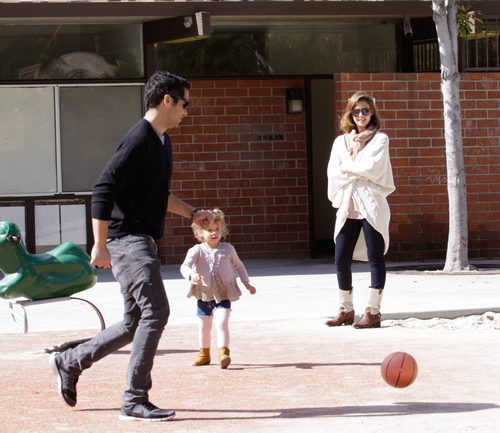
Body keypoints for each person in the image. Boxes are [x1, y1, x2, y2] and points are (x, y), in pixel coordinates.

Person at [49, 71, 213, 422]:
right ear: (166, 100)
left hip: (141, 240)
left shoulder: (161, 141)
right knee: (156, 312)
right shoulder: (139, 139)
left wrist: (192, 213)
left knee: (133, 321)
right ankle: (134, 400)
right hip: (129, 241)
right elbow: (103, 188)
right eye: (185, 103)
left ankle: (69, 361)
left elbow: (158, 194)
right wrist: (100, 245)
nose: (187, 111)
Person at [326, 91, 395, 329]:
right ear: (350, 114)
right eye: (356, 111)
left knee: (376, 256)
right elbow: (333, 173)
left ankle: (373, 312)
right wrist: (354, 171)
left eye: (365, 110)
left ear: (372, 113)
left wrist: (348, 170)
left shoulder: (380, 139)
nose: (361, 115)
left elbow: (373, 167)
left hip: (371, 204)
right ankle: (346, 309)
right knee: (340, 256)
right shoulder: (340, 142)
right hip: (348, 204)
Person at [180, 208, 256, 369]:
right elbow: (184, 266)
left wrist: (246, 283)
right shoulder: (196, 250)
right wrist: (191, 275)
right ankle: (204, 354)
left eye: (217, 229)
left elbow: (239, 266)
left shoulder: (228, 249)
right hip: (204, 294)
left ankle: (224, 353)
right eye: (209, 230)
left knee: (222, 322)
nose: (214, 233)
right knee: (204, 326)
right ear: (200, 233)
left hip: (223, 293)